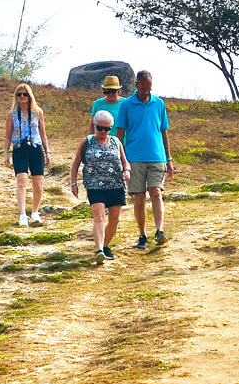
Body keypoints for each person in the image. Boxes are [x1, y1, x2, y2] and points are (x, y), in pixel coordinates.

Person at [115, 70, 175, 250]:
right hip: (134, 158)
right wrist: (121, 158)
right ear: (137, 85)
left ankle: (159, 230)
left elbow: (164, 132)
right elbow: (120, 133)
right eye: (143, 89)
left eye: (149, 89)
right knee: (139, 197)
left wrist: (169, 158)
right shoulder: (126, 105)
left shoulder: (159, 104)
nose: (146, 92)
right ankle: (142, 234)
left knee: (156, 191)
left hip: (157, 157)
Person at [70, 110, 132, 264]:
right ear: (95, 126)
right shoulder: (87, 142)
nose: (103, 132)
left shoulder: (116, 142)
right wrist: (73, 183)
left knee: (115, 219)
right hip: (94, 184)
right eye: (100, 128)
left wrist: (127, 170)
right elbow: (76, 163)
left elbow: (125, 161)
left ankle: (104, 246)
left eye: (107, 128)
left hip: (116, 184)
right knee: (99, 217)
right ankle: (99, 251)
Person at [4, 83, 52, 226]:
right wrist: (6, 153)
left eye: (25, 94)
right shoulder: (12, 115)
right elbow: (7, 136)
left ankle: (35, 212)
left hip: (36, 148)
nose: (22, 97)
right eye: (19, 94)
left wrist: (47, 151)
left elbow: (43, 134)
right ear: (16, 97)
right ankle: (22, 214)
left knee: (38, 183)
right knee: (21, 181)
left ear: (30, 95)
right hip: (19, 149)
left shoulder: (38, 112)